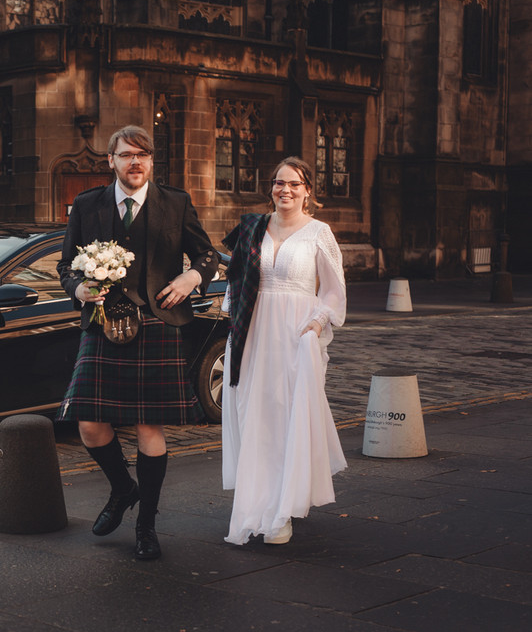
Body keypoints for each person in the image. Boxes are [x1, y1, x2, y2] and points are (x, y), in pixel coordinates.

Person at [56, 125, 220, 560]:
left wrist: (191, 277)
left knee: (150, 427)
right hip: (103, 322)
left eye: (143, 156)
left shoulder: (176, 202)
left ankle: (146, 525)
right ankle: (122, 487)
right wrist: (79, 290)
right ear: (111, 160)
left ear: (151, 161)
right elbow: (66, 265)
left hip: (157, 322)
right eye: (127, 155)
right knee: (89, 422)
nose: (136, 163)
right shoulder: (88, 204)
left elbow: (208, 255)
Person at [220, 156, 348, 545]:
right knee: (254, 416)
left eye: (294, 184)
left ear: (308, 190)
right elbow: (238, 276)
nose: (285, 190)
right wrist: (231, 316)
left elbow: (332, 288)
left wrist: (318, 321)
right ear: (271, 188)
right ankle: (255, 502)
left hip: (295, 335)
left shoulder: (319, 233)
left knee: (286, 415)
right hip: (253, 332)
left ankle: (283, 510)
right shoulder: (253, 228)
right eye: (279, 183)